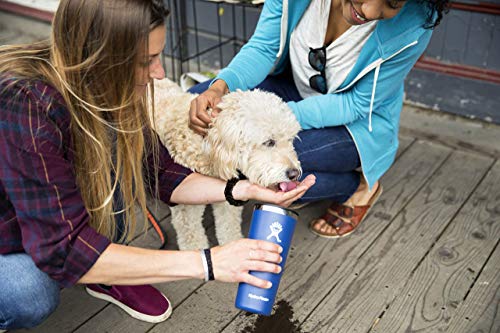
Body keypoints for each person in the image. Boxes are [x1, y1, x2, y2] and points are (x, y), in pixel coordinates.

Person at [0, 0, 316, 330]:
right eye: (146, 61)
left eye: (158, 55)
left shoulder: (107, 85)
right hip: (9, 230)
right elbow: (64, 251)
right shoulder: (26, 106)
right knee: (32, 292)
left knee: (117, 188)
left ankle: (109, 268)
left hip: (49, 215)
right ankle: (105, 265)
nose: (161, 73)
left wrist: (244, 189)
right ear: (96, 55)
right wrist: (208, 263)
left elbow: (160, 171)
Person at [188, 0, 449, 238]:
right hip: (293, 89)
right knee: (197, 101)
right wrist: (220, 86)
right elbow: (263, 47)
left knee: (273, 157)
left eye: (391, 4)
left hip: (357, 124)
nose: (370, 12)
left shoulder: (417, 20)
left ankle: (355, 186)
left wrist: (274, 125)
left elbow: (355, 103)